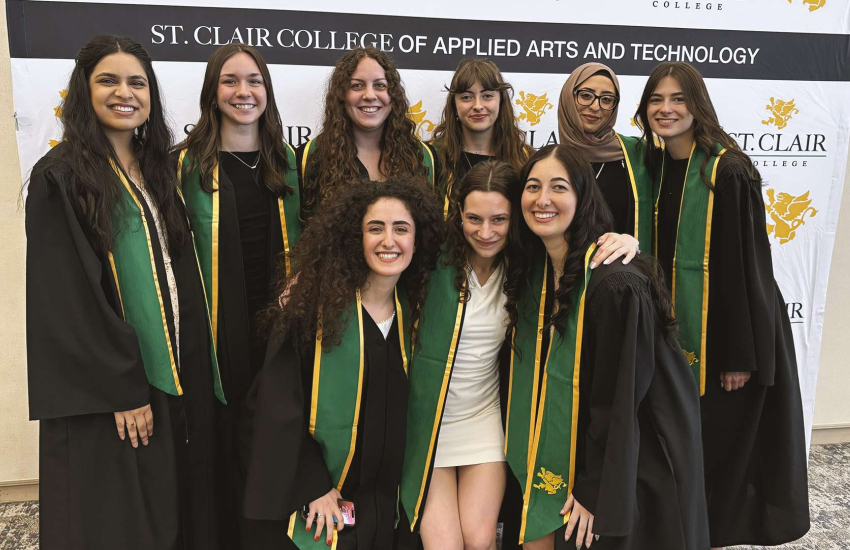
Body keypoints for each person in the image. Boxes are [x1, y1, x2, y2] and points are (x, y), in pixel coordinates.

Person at [26, 35, 225, 549]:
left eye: (137, 82)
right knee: (121, 521)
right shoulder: (62, 176)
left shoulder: (158, 168)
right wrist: (121, 389)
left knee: (172, 508)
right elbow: (67, 299)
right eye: (108, 81)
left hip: (173, 375)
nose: (125, 93)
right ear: (84, 90)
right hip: (117, 388)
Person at [634, 61, 810, 548]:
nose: (666, 109)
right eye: (656, 99)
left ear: (698, 105)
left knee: (719, 453)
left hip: (730, 334)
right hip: (677, 330)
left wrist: (739, 355)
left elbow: (745, 268)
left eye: (678, 99)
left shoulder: (727, 171)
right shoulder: (654, 167)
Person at [504, 144, 709, 549]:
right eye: (532, 186)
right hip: (593, 442)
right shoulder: (541, 269)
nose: (542, 199)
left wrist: (594, 486)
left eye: (558, 187)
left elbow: (620, 397)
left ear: (582, 196)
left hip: (638, 455)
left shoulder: (614, 284)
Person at [240, 179, 444, 549]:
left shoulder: (417, 317)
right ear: (354, 237)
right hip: (325, 506)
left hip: (387, 511)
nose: (389, 241)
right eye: (375, 228)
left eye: (401, 229)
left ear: (417, 240)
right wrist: (312, 486)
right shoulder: (314, 313)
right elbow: (272, 406)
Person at [175, 44, 301, 543]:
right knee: (220, 437)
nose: (243, 92)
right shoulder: (184, 166)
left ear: (267, 91)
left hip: (275, 327)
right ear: (212, 91)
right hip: (213, 329)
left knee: (270, 433)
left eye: (254, 81)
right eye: (230, 80)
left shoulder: (286, 161)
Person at [400, 160, 523, 550]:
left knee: (480, 538)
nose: (485, 233)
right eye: (474, 219)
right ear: (458, 214)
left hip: (482, 417)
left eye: (499, 220)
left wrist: (625, 241)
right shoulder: (430, 261)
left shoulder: (523, 268)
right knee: (445, 545)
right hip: (428, 421)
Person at [297, 47, 436, 223]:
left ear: (393, 94)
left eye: (380, 85)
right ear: (341, 95)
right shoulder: (310, 157)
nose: (370, 95)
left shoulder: (421, 157)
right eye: (357, 85)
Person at [557, 62, 652, 244]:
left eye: (607, 99)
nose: (595, 106)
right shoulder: (550, 161)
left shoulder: (638, 154)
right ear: (569, 97)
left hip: (625, 261)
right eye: (586, 95)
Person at [429, 58, 533, 216]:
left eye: (487, 96)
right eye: (466, 97)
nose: (477, 106)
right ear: (454, 105)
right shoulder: (431, 158)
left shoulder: (525, 158)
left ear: (501, 101)